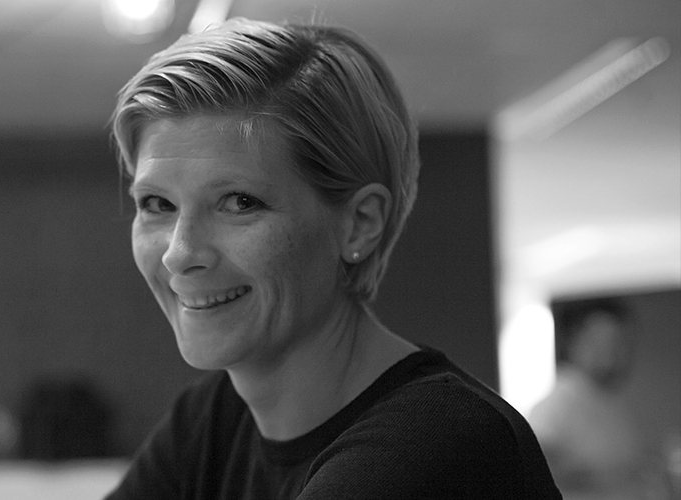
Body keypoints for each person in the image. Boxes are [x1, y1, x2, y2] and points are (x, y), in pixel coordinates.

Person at [105, 18, 561, 499]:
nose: (179, 254)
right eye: (157, 204)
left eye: (240, 202)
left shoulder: (438, 442)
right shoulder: (212, 421)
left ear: (359, 223)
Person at [529, 298, 670, 499]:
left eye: (620, 342)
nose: (613, 353)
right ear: (573, 342)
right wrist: (606, 477)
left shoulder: (609, 399)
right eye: (602, 341)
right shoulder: (560, 402)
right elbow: (535, 469)